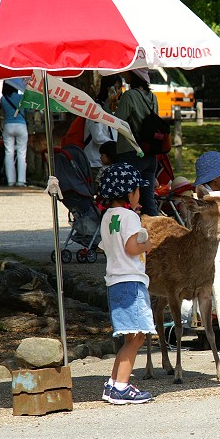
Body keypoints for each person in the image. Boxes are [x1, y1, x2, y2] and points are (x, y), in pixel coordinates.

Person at [98, 161, 156, 405]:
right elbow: (132, 247)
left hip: (115, 281)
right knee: (137, 337)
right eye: (138, 190)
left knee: (129, 336)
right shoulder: (130, 216)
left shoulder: (107, 217)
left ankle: (113, 384)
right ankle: (122, 386)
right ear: (130, 193)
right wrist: (147, 245)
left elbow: (107, 248)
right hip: (131, 282)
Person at [114, 68, 159, 216]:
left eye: (127, 72)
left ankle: (129, 233)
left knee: (127, 199)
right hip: (150, 153)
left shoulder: (129, 96)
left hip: (131, 151)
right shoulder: (153, 97)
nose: (124, 74)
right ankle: (155, 234)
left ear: (134, 75)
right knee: (148, 200)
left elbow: (118, 122)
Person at [85, 74, 121, 183]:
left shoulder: (115, 109)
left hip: (110, 161)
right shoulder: (96, 108)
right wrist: (117, 145)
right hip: (95, 162)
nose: (118, 92)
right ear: (107, 89)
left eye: (119, 88)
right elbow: (97, 137)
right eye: (115, 88)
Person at [0, 81, 28, 187]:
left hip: (8, 126)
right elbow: (27, 109)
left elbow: (2, 112)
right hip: (21, 125)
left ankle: (11, 180)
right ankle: (21, 181)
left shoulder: (3, 99)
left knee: (9, 153)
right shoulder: (21, 97)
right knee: (22, 153)